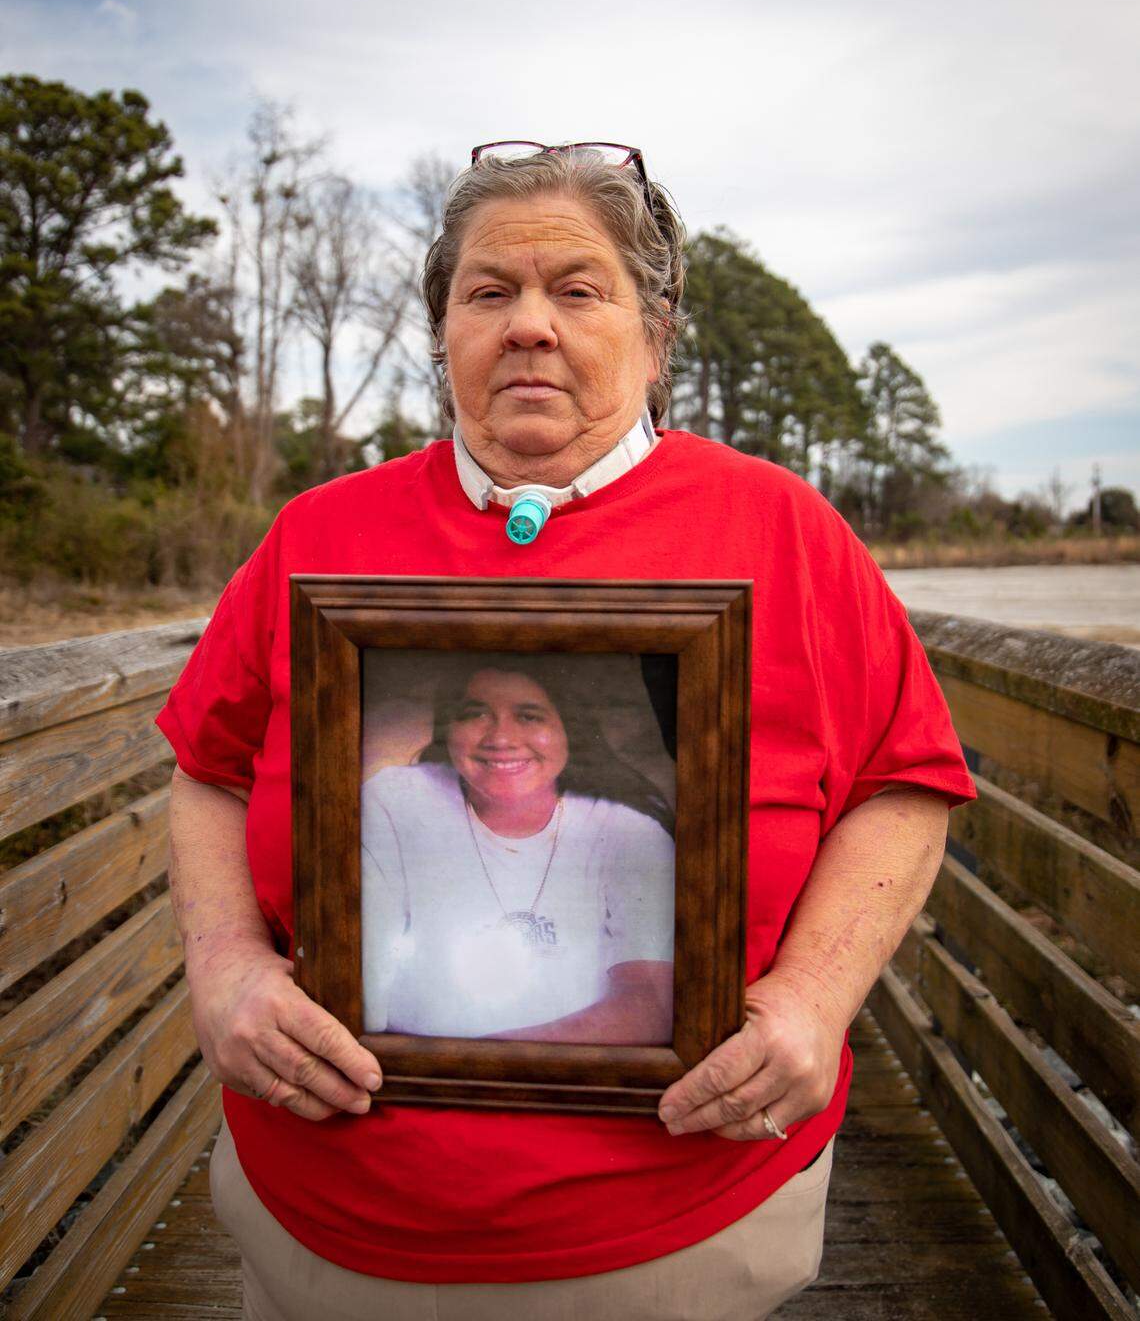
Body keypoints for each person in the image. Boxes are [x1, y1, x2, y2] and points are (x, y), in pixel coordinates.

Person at [159, 142, 976, 1321]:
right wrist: (225, 963)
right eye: (489, 291)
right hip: (325, 1225)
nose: (530, 324)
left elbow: (905, 780)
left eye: (578, 289)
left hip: (672, 1233)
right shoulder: (318, 534)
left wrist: (815, 993)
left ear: (655, 333)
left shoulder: (784, 531)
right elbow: (210, 767)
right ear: (444, 329)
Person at [360, 657, 675, 1042]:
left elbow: (651, 1005)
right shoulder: (397, 802)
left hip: (565, 1072)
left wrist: (484, 1062)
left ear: (569, 729)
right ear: (448, 729)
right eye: (476, 714)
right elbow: (361, 979)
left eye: (529, 716)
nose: (501, 739)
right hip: (408, 1065)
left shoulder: (629, 832)